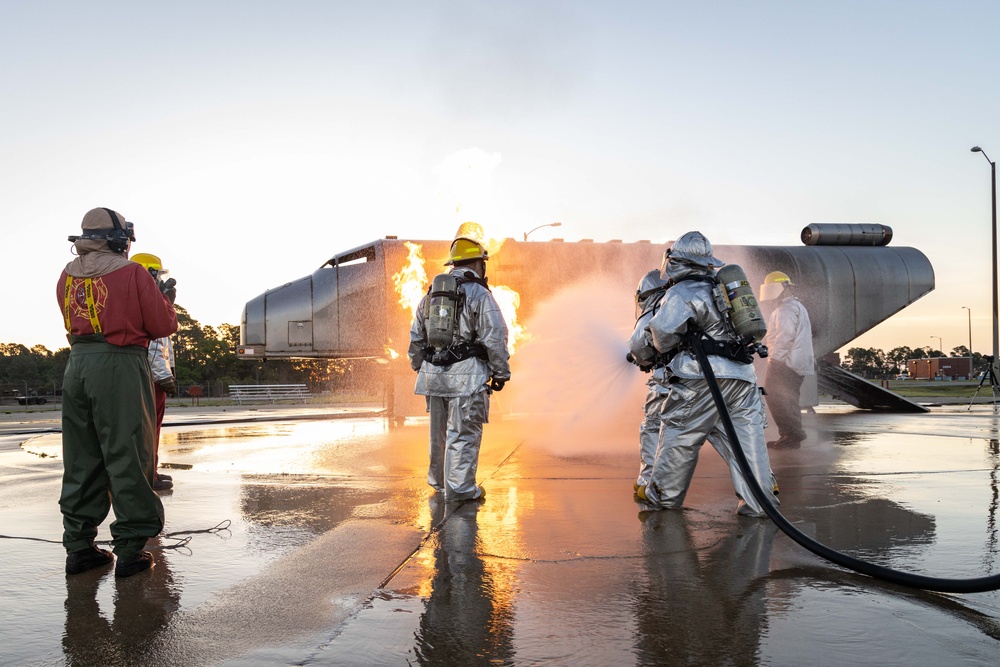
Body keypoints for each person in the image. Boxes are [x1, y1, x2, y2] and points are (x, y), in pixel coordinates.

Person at [58, 207, 178, 578]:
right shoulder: (133, 273)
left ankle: (79, 548)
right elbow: (162, 324)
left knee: (81, 457)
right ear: (119, 239)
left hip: (77, 366)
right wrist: (164, 298)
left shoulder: (66, 274)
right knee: (129, 453)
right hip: (120, 363)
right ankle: (129, 551)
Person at [639, 231, 778, 517]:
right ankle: (760, 503)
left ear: (676, 261)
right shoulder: (724, 290)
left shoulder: (683, 291)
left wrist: (651, 352)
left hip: (699, 380)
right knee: (746, 442)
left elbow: (661, 333)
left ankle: (663, 498)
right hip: (743, 379)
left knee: (679, 436)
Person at [407, 222, 511, 501]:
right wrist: (501, 372)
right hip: (467, 378)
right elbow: (495, 335)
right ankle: (462, 490)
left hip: (433, 377)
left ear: (453, 264)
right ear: (479, 263)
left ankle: (440, 484)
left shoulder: (429, 295)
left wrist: (420, 366)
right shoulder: (479, 294)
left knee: (438, 435)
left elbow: (416, 336)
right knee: (463, 433)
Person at [131, 253, 178, 490]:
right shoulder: (148, 304)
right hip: (151, 379)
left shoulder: (132, 299)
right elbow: (156, 342)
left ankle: (151, 472)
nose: (161, 281)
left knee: (145, 430)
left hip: (140, 375)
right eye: (157, 276)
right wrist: (164, 375)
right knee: (150, 430)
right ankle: (149, 476)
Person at [626, 267, 670, 497]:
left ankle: (648, 482)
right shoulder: (691, 298)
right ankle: (761, 483)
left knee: (653, 426)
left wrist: (643, 360)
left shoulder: (655, 307)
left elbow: (638, 346)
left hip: (672, 379)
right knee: (726, 433)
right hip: (716, 380)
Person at [759, 270, 815, 448]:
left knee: (777, 397)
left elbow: (785, 337)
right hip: (794, 362)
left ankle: (792, 436)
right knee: (787, 399)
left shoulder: (786, 309)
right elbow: (773, 336)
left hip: (786, 362)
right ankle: (790, 436)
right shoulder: (792, 306)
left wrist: (775, 360)